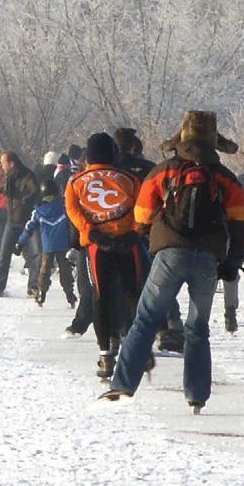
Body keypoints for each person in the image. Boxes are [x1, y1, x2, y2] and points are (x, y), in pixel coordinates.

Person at [103, 110, 244, 411]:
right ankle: (196, 395)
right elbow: (241, 222)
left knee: (146, 319)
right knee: (197, 328)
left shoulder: (164, 170)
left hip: (169, 254)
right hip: (208, 260)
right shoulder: (224, 178)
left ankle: (121, 386)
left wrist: (153, 237)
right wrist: (233, 260)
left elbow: (142, 214)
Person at [65, 133, 143, 380]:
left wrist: (92, 235)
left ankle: (105, 354)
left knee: (101, 296)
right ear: (113, 153)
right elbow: (143, 209)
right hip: (127, 244)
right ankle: (134, 350)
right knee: (133, 294)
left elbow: (73, 212)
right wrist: (134, 234)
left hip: (98, 248)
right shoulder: (130, 179)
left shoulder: (76, 181)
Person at [0, 152, 38, 297]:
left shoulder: (27, 176)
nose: (1, 166)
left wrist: (26, 200)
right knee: (3, 254)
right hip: (12, 221)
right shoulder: (8, 177)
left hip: (27, 222)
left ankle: (33, 287)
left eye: (3, 163)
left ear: (11, 163)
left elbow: (35, 191)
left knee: (33, 255)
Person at [16, 174, 74, 307]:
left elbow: (29, 228)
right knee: (65, 271)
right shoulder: (65, 208)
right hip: (63, 245)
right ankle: (70, 294)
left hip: (47, 247)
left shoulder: (38, 211)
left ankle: (42, 293)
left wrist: (20, 243)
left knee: (44, 271)